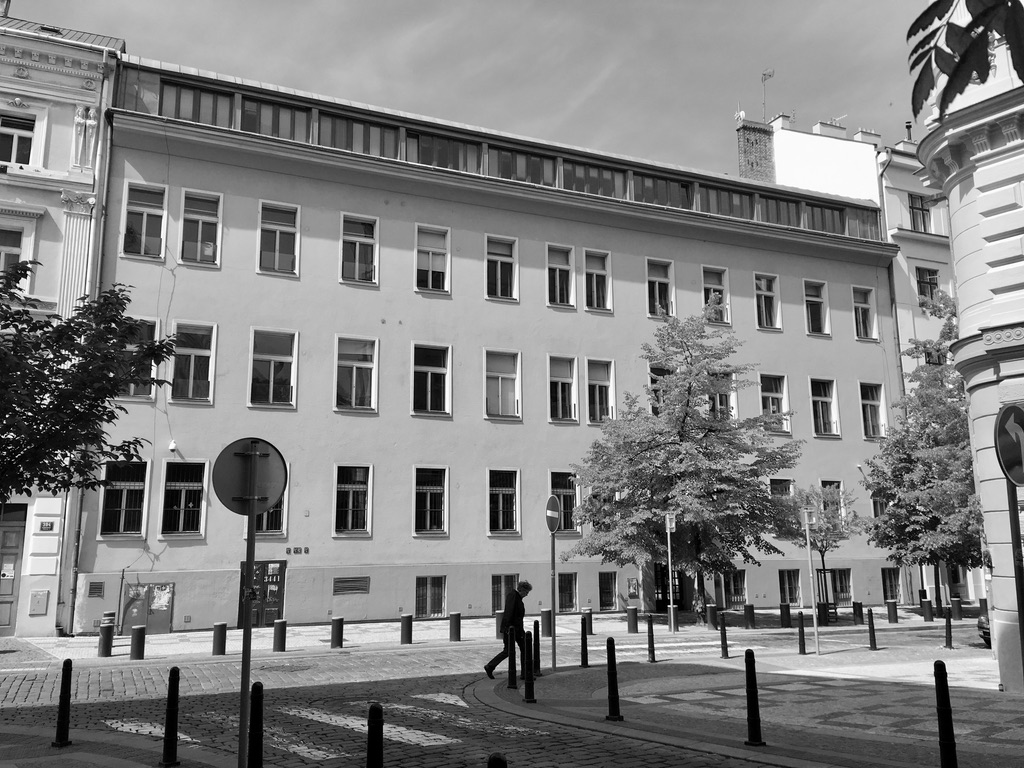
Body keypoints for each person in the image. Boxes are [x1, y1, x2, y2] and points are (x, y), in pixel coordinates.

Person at [484, 580, 532, 678]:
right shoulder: (513, 596)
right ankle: (490, 666)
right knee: (508, 651)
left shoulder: (517, 597)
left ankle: (525, 673)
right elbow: (509, 613)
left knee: (524, 649)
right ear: (522, 590)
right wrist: (507, 628)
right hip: (511, 629)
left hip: (517, 630)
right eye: (526, 592)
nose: (527, 595)